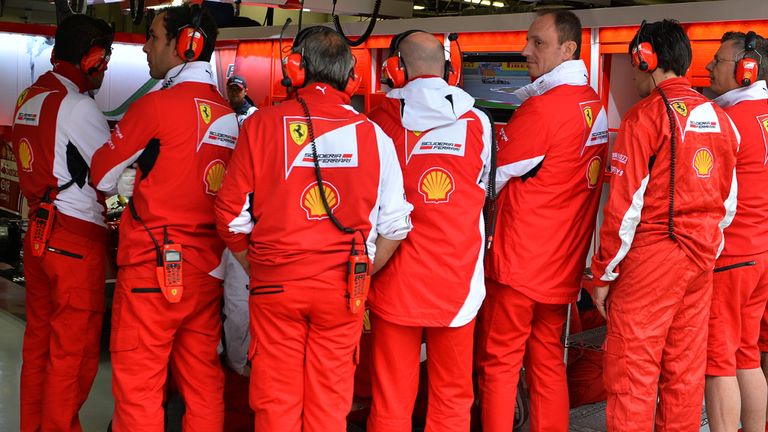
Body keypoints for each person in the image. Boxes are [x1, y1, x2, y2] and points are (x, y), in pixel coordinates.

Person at [214, 25, 413, 431]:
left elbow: (230, 214)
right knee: (330, 403)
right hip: (343, 288)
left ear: (295, 69)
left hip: (274, 284)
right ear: (352, 78)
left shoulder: (260, 125)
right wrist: (364, 271)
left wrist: (256, 264)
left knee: (276, 403)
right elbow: (395, 224)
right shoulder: (376, 136)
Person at [90, 4, 239, 430]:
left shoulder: (155, 107)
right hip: (208, 270)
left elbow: (101, 175)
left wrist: (126, 183)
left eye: (154, 37)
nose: (146, 48)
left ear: (185, 45)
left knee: (139, 387)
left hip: (150, 270)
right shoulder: (231, 115)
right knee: (203, 384)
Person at [590, 19, 739, 431]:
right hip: (700, 260)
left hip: (651, 260)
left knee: (632, 372)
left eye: (634, 60)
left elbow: (623, 208)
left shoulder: (646, 117)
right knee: (684, 374)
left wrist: (603, 271)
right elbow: (728, 204)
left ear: (646, 58)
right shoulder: (721, 118)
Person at [474, 10, 609, 432]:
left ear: (568, 49)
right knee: (548, 360)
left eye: (537, 43)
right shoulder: (594, 104)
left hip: (519, 264)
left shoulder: (543, 109)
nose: (524, 50)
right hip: (561, 264)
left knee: (498, 364)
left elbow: (487, 179)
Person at [364, 30, 492, 432]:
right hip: (457, 281)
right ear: (449, 69)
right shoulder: (479, 122)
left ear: (394, 69)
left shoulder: (377, 120)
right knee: (453, 397)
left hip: (393, 279)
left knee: (390, 399)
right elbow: (485, 186)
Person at [11, 13, 113, 432]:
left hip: (37, 234)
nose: (105, 68)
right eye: (104, 59)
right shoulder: (79, 106)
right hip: (74, 242)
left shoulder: (28, 98)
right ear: (91, 58)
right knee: (73, 355)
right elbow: (110, 175)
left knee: (38, 347)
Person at [704, 31, 768, 432]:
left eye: (717, 60)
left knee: (718, 360)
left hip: (730, 257)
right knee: (746, 353)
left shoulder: (729, 121)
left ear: (747, 70)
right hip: (760, 253)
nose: (709, 66)